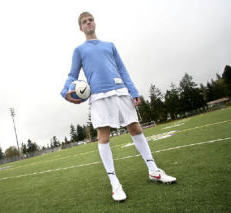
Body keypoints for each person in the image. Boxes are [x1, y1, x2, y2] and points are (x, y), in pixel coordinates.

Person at [60, 12, 176, 202]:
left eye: (90, 20)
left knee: (135, 127)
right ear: (80, 28)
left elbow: (122, 69)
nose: (88, 23)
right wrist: (64, 92)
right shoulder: (79, 50)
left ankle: (153, 170)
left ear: (94, 23)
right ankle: (115, 183)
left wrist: (133, 90)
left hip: (120, 90)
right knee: (103, 136)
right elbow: (72, 75)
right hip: (98, 95)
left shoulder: (110, 45)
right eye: (84, 22)